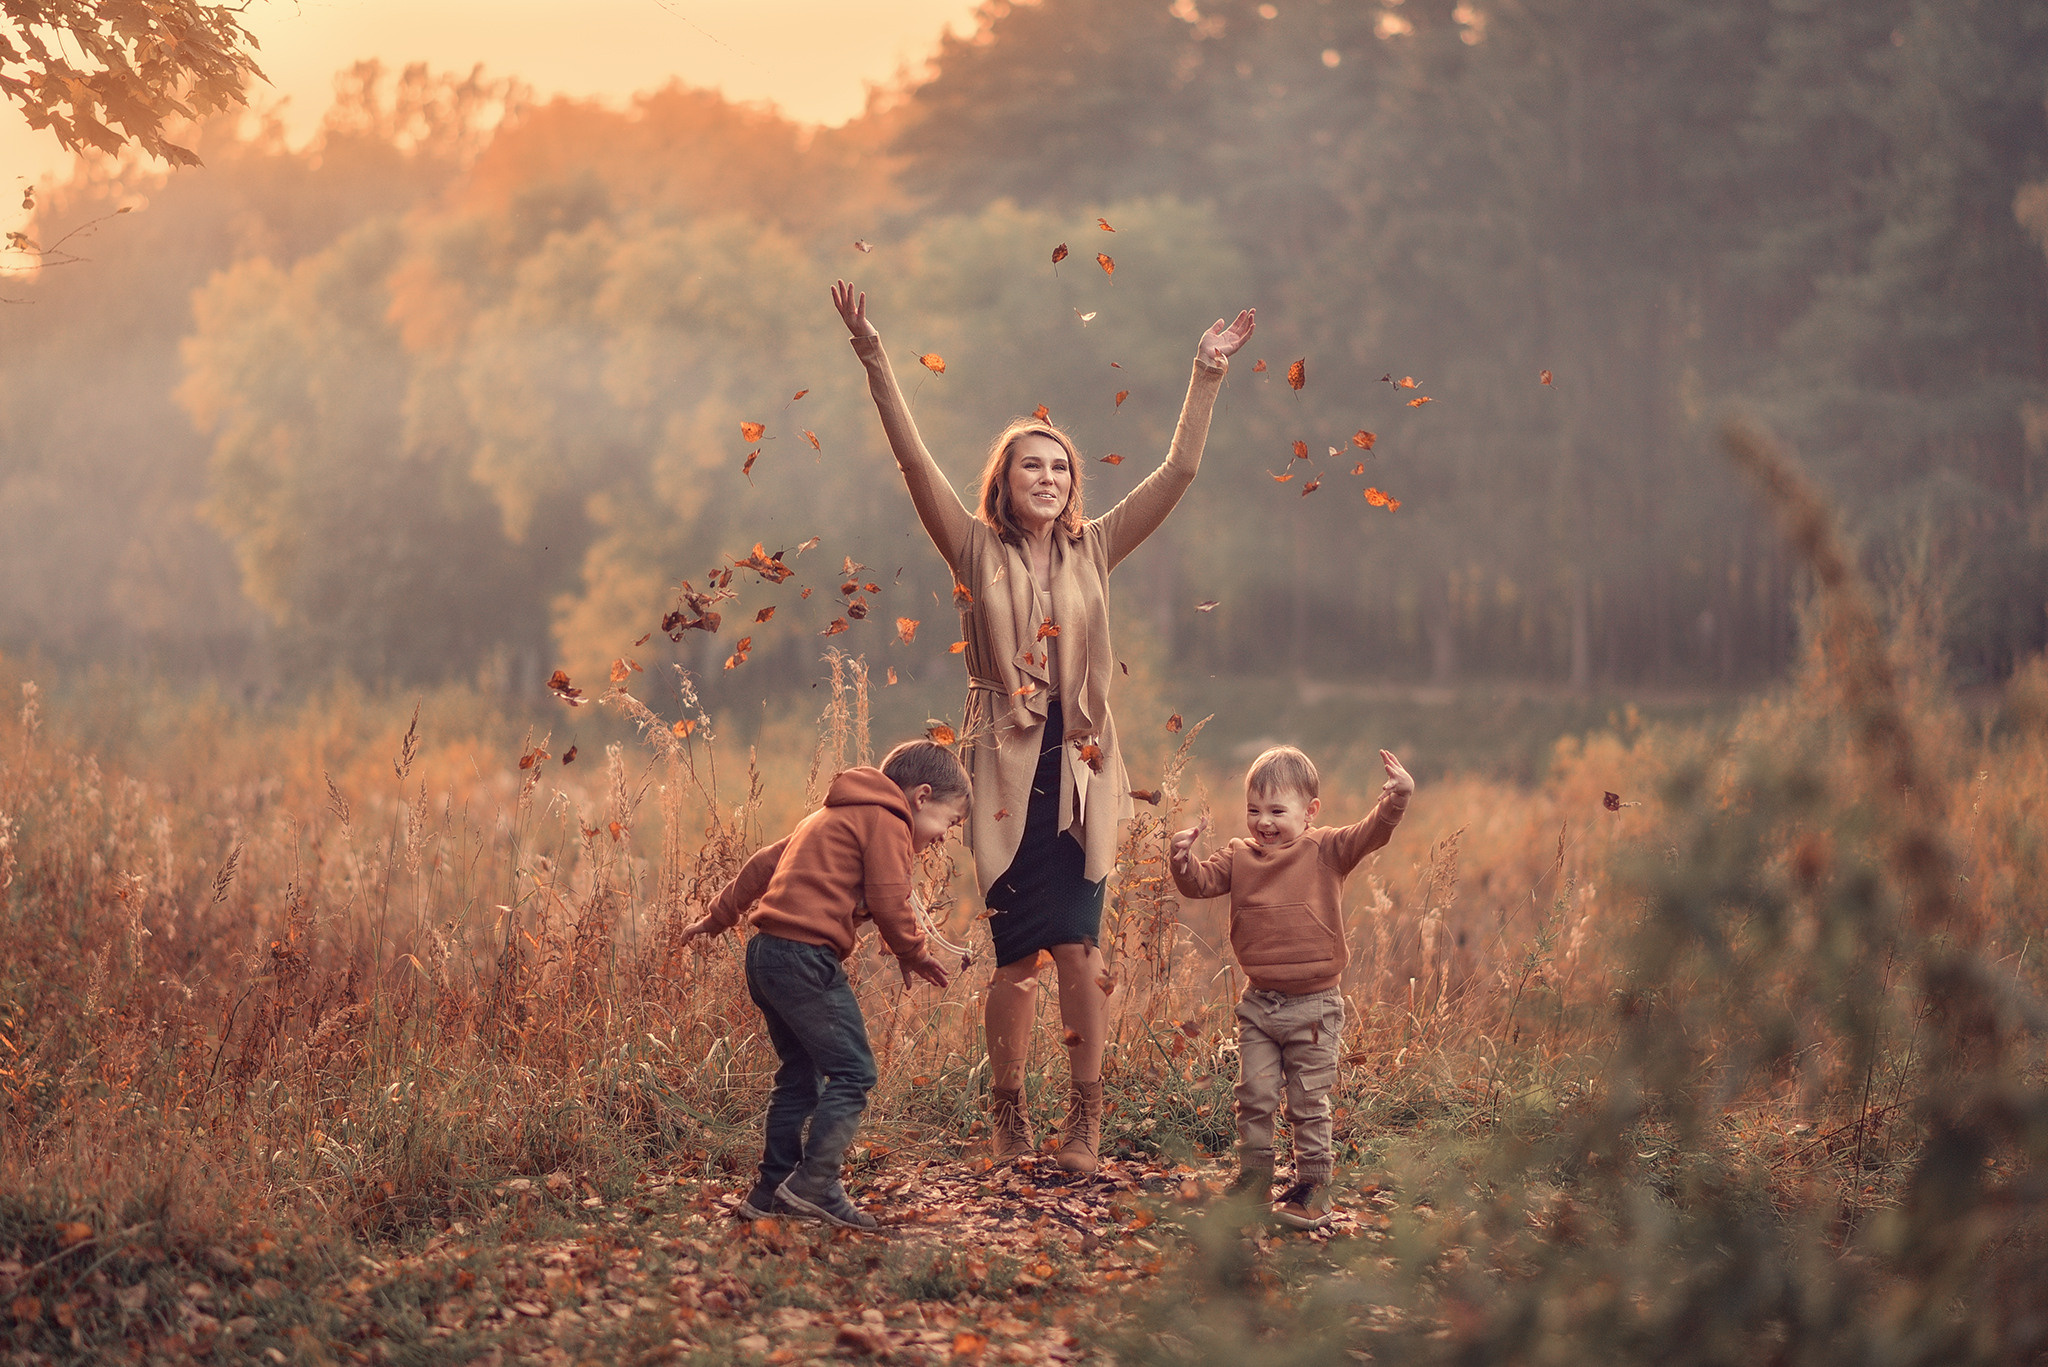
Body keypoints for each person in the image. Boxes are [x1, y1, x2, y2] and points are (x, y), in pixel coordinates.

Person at [831, 279, 1254, 1175]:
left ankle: (1087, 1121)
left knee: (1081, 949)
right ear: (1005, 479)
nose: (1050, 478)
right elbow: (912, 461)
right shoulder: (971, 546)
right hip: (1003, 773)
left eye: (1060, 466)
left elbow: (1177, 473)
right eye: (1032, 465)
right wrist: (874, 354)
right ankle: (1010, 1115)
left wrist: (1205, 373)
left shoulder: (1096, 544)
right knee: (1018, 956)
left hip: (1083, 769)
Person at [674, 739, 968, 1229]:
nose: (942, 838)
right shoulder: (889, 821)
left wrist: (717, 917)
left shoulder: (829, 816)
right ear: (921, 796)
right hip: (806, 959)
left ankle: (771, 1191)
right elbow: (892, 899)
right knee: (855, 1073)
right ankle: (816, 1184)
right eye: (949, 823)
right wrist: (914, 953)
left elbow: (762, 865)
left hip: (767, 956)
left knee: (800, 1076)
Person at [1168, 744, 1414, 1229]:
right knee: (1254, 1094)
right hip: (1259, 1003)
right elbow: (1198, 883)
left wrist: (1396, 799)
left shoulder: (1325, 849)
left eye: (1277, 811)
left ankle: (1313, 1187)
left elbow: (1372, 833)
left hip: (1316, 1005)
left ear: (1310, 812)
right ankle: (1255, 1179)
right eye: (1254, 810)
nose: (1263, 822)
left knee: (1307, 1099)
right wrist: (1181, 859)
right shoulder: (1239, 856)